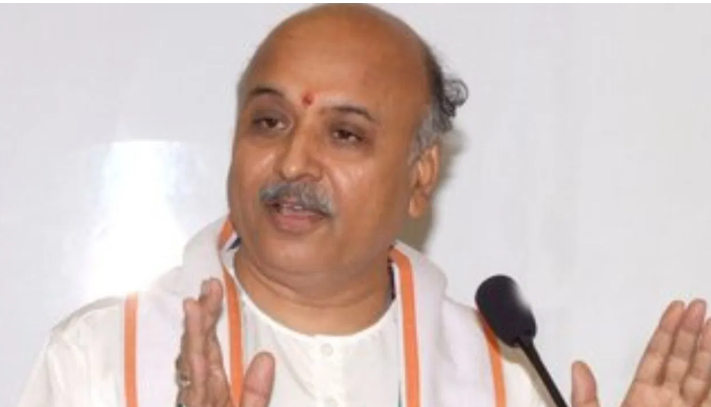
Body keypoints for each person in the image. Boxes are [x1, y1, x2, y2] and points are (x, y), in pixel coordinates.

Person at [16, 4, 711, 407]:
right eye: (269, 122)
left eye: (344, 134)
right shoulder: (101, 358)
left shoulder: (501, 382)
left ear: (420, 176)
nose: (293, 162)